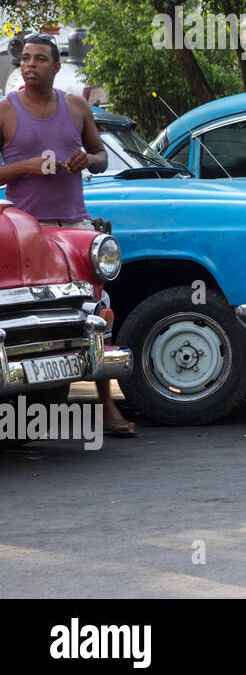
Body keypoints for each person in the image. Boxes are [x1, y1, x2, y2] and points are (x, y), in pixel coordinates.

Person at [0, 35, 135, 436]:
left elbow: (101, 156)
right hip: (26, 232)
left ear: (57, 67)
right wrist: (24, 166)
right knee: (29, 315)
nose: (30, 65)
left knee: (93, 314)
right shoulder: (5, 112)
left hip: (75, 226)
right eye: (25, 59)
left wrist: (85, 159)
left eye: (40, 59)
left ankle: (107, 407)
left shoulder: (76, 107)